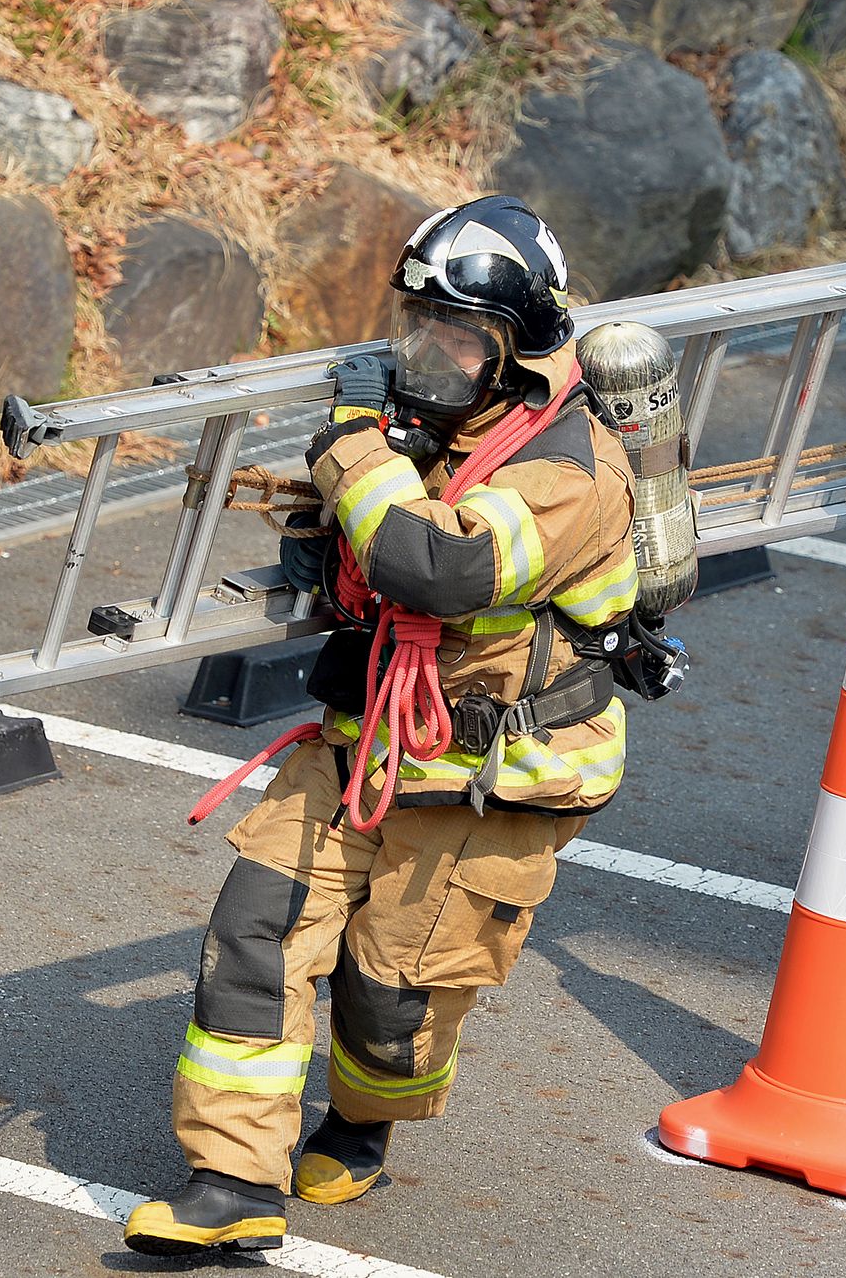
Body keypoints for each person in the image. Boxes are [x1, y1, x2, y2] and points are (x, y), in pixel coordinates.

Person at [126, 196, 640, 1255]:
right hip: (363, 739)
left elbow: (438, 565)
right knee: (255, 929)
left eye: (460, 339)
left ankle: (363, 1124)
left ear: (520, 346)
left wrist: (355, 448)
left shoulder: (573, 466)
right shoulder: (434, 423)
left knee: (390, 999)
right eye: (420, 328)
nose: (430, 358)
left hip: (490, 773)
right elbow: (372, 546)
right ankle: (230, 1181)